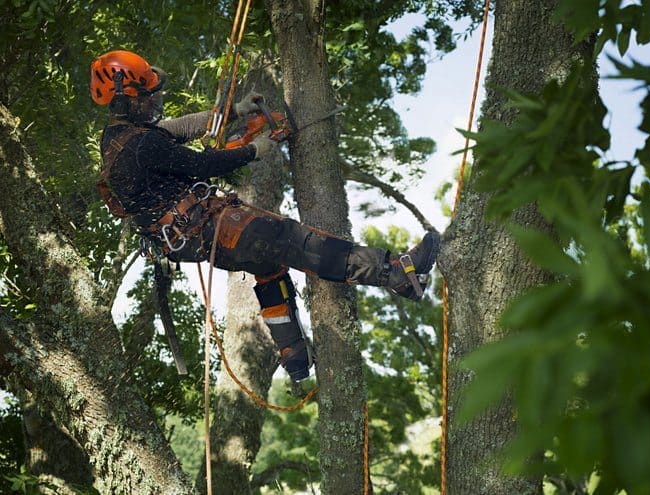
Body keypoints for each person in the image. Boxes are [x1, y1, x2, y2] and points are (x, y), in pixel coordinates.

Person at [91, 50, 440, 382]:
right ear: (124, 99)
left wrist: (234, 112)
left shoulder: (119, 138)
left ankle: (294, 354)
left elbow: (177, 128)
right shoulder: (141, 146)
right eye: (147, 95)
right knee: (290, 240)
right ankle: (394, 272)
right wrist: (253, 150)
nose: (154, 101)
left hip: (191, 236)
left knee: (267, 266)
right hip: (202, 229)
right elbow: (202, 164)